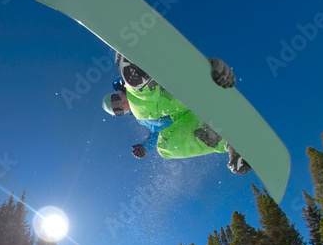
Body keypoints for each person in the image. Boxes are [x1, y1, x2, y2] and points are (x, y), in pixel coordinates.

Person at [102, 54, 251, 174]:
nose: (121, 105)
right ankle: (223, 138)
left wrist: (201, 70)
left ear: (118, 92)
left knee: (141, 110)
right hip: (188, 119)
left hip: (177, 98)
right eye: (119, 110)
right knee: (164, 149)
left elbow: (169, 69)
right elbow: (156, 133)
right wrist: (145, 147)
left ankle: (140, 83)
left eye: (116, 101)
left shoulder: (140, 108)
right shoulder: (143, 118)